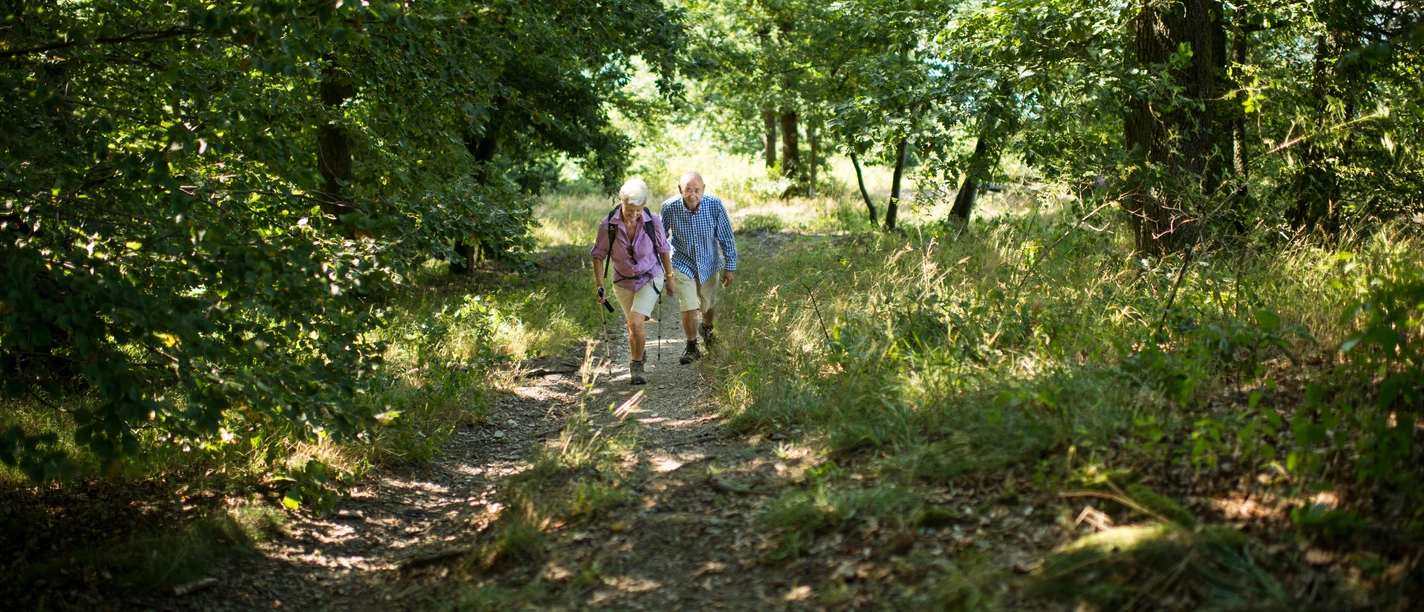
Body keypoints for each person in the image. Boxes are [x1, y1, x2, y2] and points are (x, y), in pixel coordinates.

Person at [591, 178, 675, 385]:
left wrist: (669, 277)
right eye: (630, 210)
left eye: (639, 209)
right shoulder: (607, 225)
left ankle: (636, 365)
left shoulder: (652, 221)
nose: (635, 214)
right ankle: (640, 348)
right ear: (622, 203)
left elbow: (663, 249)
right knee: (634, 325)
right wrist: (599, 284)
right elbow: (598, 255)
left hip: (649, 276)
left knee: (635, 323)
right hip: (622, 281)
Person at [659, 172, 737, 364]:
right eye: (687, 190)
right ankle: (692, 346)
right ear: (680, 189)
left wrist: (730, 267)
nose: (692, 194)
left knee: (707, 304)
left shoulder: (714, 204)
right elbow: (660, 239)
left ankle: (708, 329)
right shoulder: (669, 207)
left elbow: (726, 236)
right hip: (681, 261)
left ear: (703, 189)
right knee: (689, 305)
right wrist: (662, 269)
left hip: (709, 263)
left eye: (696, 190)